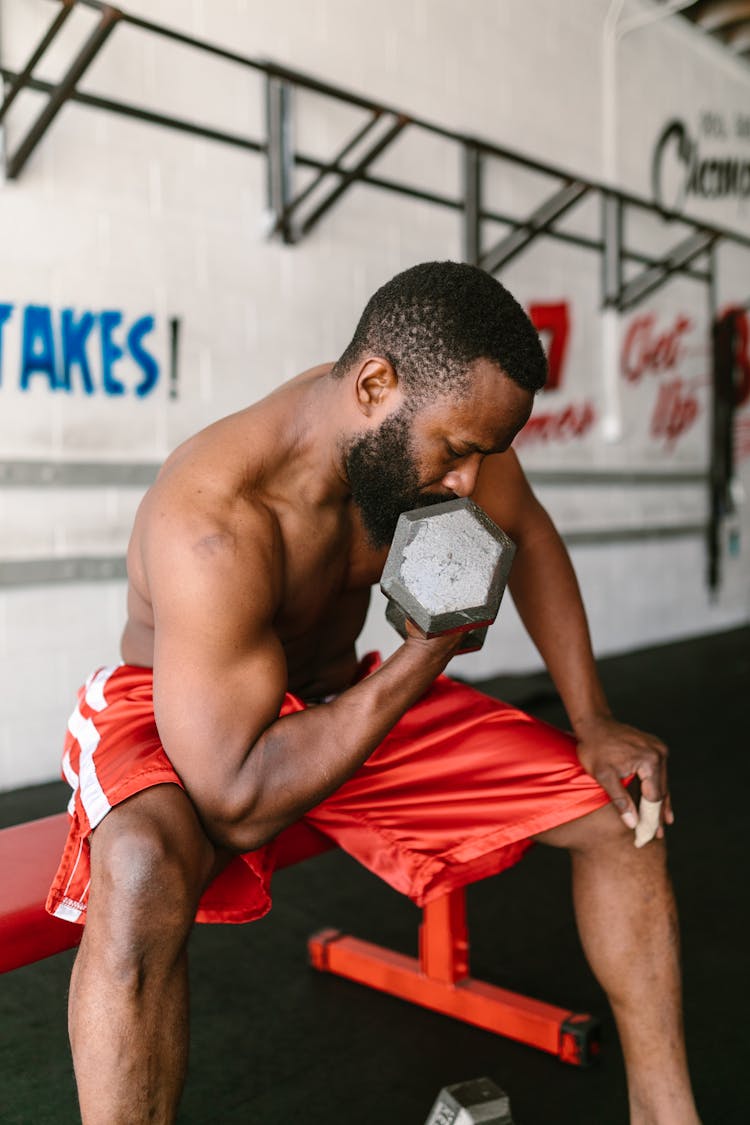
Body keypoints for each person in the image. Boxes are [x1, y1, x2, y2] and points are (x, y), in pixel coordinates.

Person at [48, 261, 700, 1125]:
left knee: (624, 808)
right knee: (139, 865)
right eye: (460, 451)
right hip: (189, 721)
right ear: (374, 385)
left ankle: (668, 1114)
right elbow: (237, 798)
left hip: (340, 696)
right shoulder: (213, 516)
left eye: (483, 454)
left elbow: (530, 537)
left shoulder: (424, 442)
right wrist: (422, 659)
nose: (470, 482)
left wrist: (593, 719)